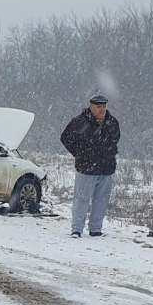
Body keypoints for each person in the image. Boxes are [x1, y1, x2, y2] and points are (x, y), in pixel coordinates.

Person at [60, 95, 120, 238]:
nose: (102, 109)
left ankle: (95, 229)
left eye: (104, 106)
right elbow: (65, 138)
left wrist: (109, 152)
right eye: (99, 107)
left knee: (101, 200)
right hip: (86, 168)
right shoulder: (79, 122)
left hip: (106, 168)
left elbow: (116, 139)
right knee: (82, 199)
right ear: (91, 107)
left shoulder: (112, 122)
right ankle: (77, 229)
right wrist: (80, 153)